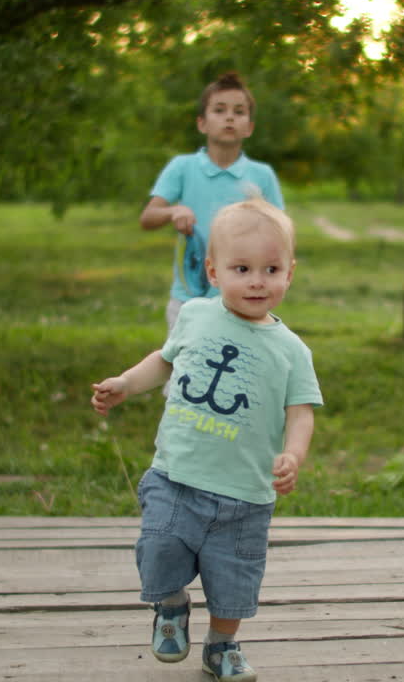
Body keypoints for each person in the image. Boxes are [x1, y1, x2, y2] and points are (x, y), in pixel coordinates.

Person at [91, 197, 320, 682]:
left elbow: (300, 413)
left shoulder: (293, 351)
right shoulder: (195, 316)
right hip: (177, 475)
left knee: (233, 580)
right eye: (242, 268)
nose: (257, 280)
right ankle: (171, 604)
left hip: (245, 496)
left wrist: (293, 455)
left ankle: (222, 646)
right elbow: (165, 360)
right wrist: (126, 384)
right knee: (159, 548)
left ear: (290, 273)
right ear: (213, 272)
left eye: (271, 269)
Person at [140, 72, 284, 335]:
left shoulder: (262, 176)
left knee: (239, 372)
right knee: (185, 370)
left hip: (245, 298)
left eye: (239, 112)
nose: (229, 117)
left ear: (249, 127)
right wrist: (173, 211)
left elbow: (282, 234)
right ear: (202, 123)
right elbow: (148, 217)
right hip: (190, 296)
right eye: (219, 110)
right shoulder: (182, 168)